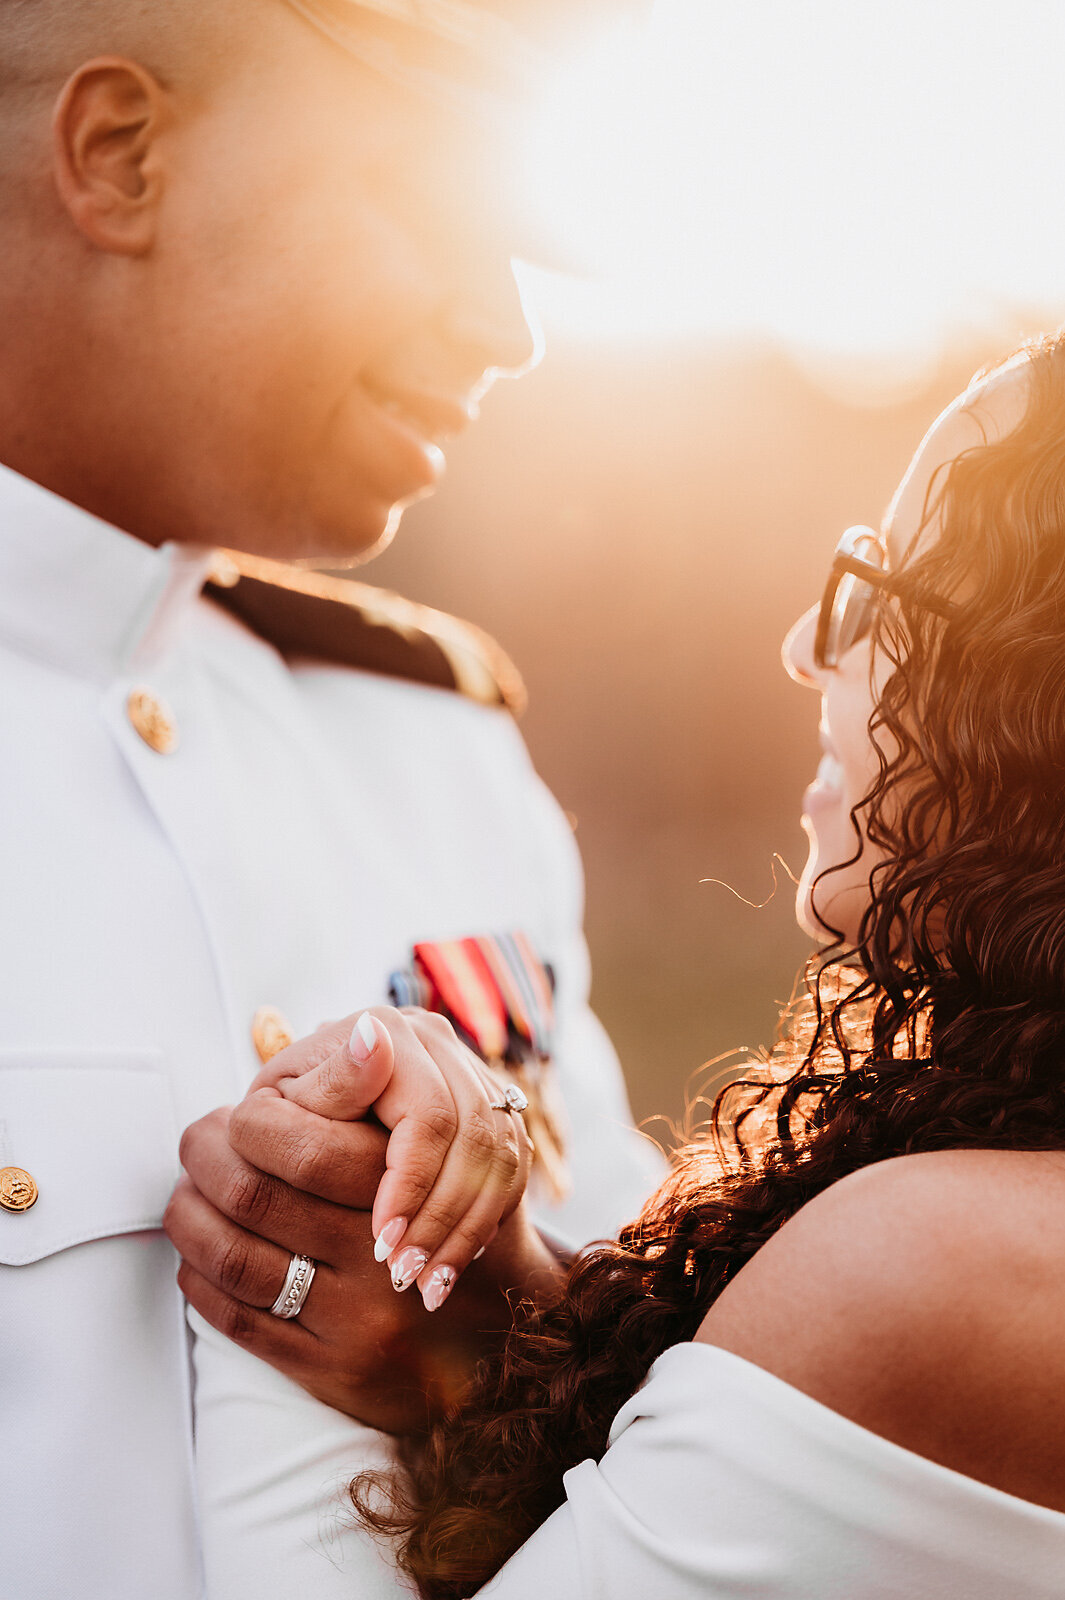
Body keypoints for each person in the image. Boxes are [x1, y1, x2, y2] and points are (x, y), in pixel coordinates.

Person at [174, 337, 1065, 1596]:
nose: (811, 645)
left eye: (885, 589)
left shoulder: (926, 1267)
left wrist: (292, 1266)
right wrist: (511, 1308)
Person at [0, 4, 660, 1599]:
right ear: (120, 154)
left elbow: (658, 1400)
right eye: (445, 219)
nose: (510, 333)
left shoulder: (428, 744)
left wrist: (500, 1336)